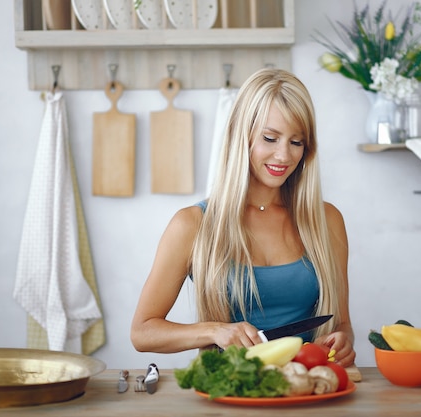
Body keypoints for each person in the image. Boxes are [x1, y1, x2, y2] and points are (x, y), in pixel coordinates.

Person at [131, 68, 356, 367]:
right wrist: (215, 331)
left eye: (296, 142)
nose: (283, 156)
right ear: (242, 135)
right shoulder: (193, 225)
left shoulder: (327, 220)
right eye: (270, 138)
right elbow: (143, 332)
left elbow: (342, 324)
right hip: (232, 390)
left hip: (307, 386)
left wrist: (342, 340)